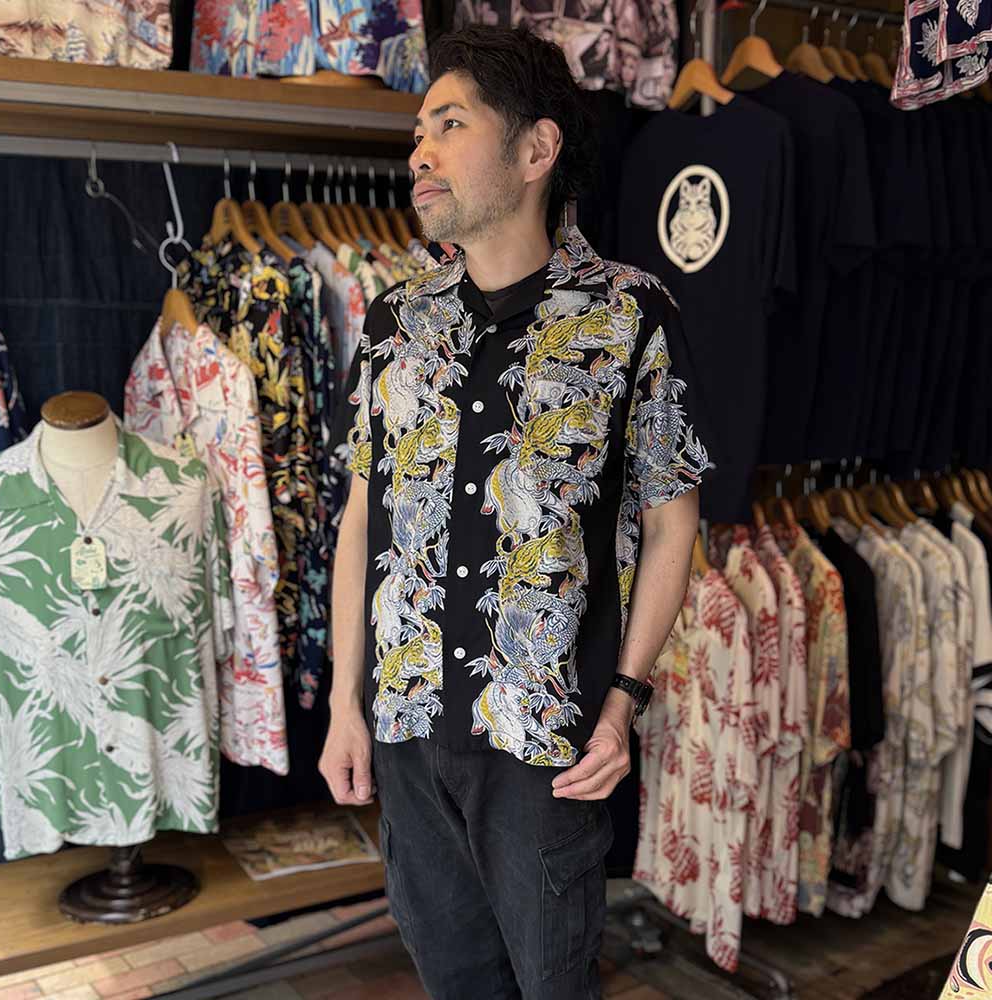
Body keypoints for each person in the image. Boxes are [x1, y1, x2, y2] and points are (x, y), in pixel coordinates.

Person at [319, 23, 709, 1000]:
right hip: (408, 732)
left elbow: (672, 520)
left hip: (543, 741)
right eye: (417, 130)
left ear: (536, 149)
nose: (420, 151)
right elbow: (362, 519)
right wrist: (343, 704)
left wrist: (622, 704)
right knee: (452, 980)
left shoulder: (629, 315)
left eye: (449, 124)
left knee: (553, 984)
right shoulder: (395, 320)